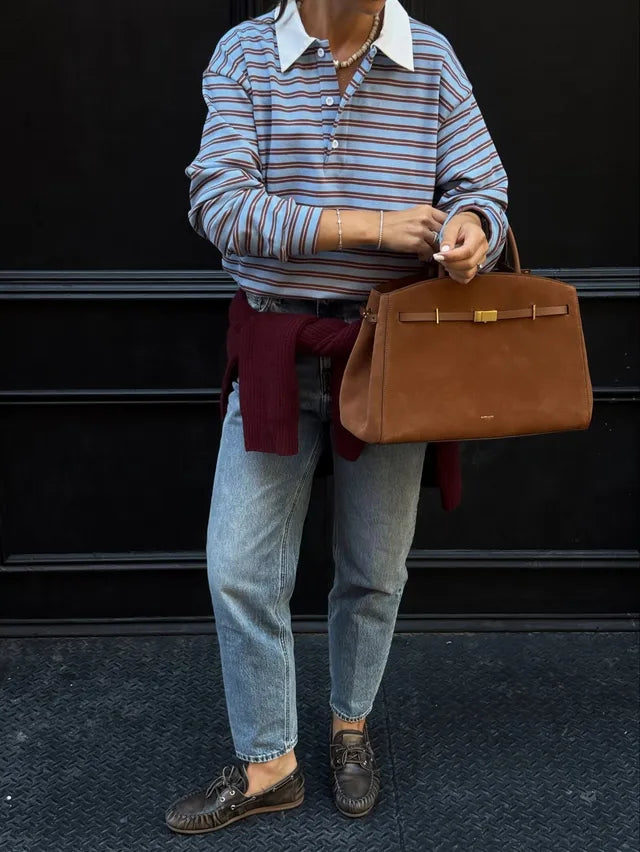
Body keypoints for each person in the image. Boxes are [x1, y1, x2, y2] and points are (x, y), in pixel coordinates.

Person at [165, 0, 508, 835]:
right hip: (277, 345)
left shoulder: (429, 57)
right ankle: (270, 764)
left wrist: (472, 231)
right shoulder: (247, 53)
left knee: (374, 571)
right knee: (239, 567)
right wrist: (376, 227)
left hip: (390, 356)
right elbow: (220, 204)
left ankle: (350, 729)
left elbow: (483, 188)